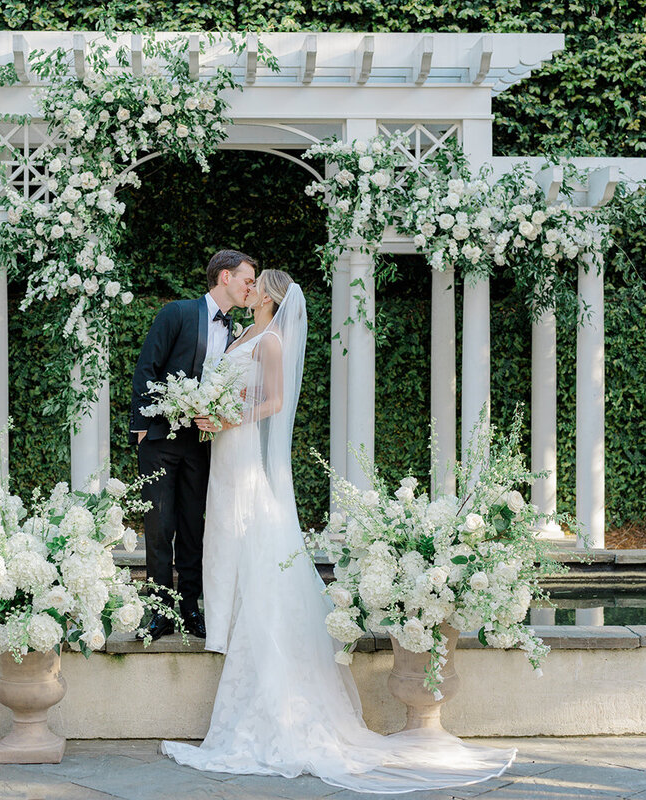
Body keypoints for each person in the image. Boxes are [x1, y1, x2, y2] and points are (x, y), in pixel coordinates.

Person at [161, 269, 516, 793]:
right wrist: (210, 409)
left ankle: (243, 623)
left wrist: (228, 418)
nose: (251, 289)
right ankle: (223, 616)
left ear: (274, 297)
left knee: (251, 530)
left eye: (258, 285)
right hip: (226, 450)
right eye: (249, 283)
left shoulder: (274, 340)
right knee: (226, 532)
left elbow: (275, 403)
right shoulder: (243, 334)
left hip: (243, 448)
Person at [129, 249, 257, 640]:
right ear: (224, 277)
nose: (251, 287)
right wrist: (140, 425)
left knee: (191, 529)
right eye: (247, 279)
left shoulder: (238, 333)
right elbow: (147, 365)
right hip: (161, 439)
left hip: (204, 444)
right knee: (158, 526)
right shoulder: (178, 313)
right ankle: (159, 611)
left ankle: (190, 609)